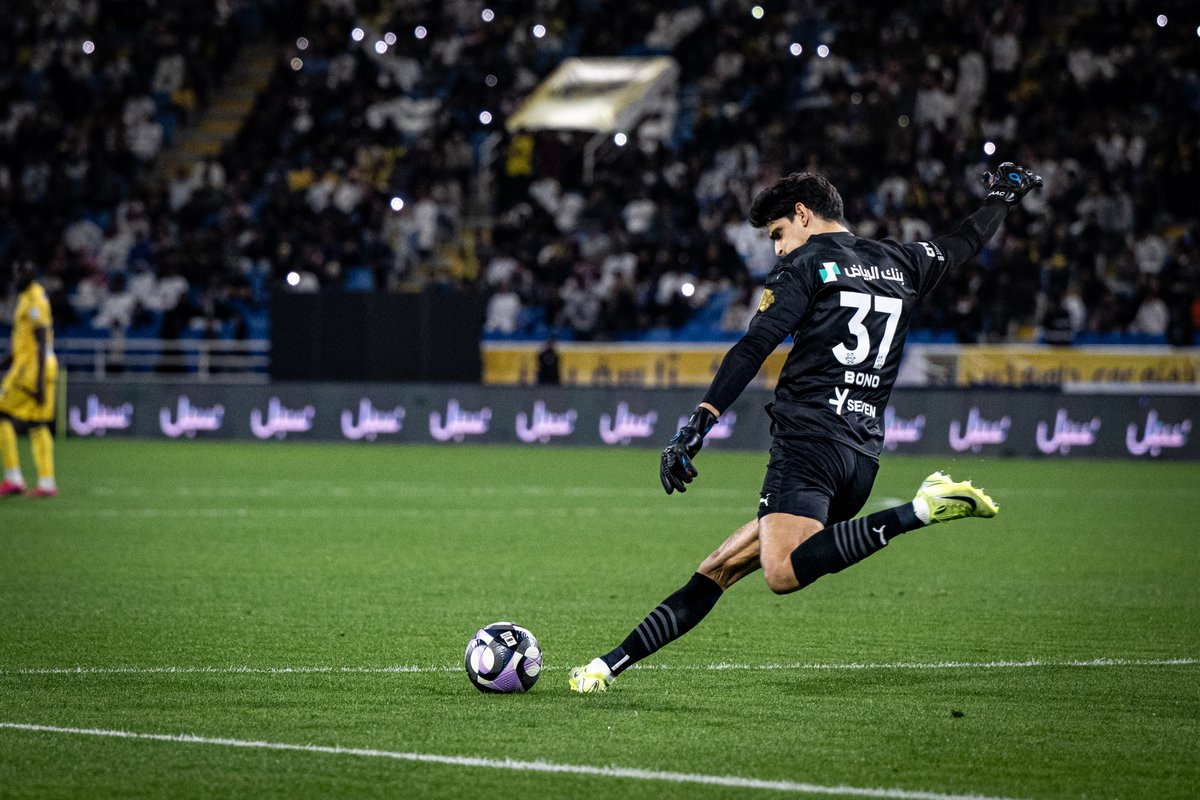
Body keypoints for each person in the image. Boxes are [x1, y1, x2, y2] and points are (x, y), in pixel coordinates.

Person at [569, 163, 1043, 692]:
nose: (777, 249)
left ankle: (920, 510)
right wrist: (1002, 198)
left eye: (777, 234)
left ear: (802, 214)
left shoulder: (806, 265)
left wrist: (700, 421)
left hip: (808, 445)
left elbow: (755, 345)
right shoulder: (902, 260)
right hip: (860, 458)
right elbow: (964, 241)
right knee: (721, 566)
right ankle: (606, 666)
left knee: (781, 571)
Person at [1, 262, 60, 498]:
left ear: (30, 275)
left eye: (20, 274)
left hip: (30, 371)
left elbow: (41, 339)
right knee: (37, 424)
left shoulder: (34, 299)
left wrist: (38, 382)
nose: (16, 279)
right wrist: (6, 360)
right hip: (37, 367)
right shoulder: (31, 296)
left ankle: (13, 477)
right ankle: (46, 483)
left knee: (2, 414)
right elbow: (26, 341)